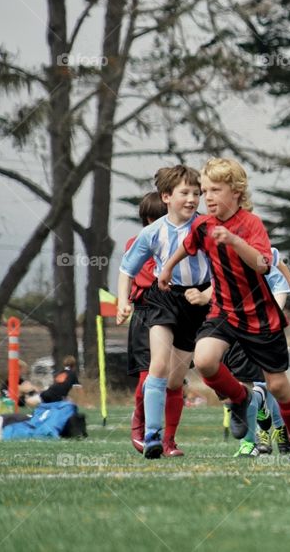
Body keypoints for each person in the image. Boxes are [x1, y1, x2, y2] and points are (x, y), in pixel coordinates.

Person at [158, 157, 290, 463]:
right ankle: (241, 399)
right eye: (205, 191)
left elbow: (262, 262)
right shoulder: (204, 225)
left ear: (237, 192)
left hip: (260, 317)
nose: (208, 197)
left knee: (279, 386)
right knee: (204, 361)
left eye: (215, 190)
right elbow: (188, 245)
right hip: (224, 312)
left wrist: (232, 239)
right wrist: (167, 269)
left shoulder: (251, 225)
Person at [118, 166, 210, 459]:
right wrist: (123, 300)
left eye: (197, 193)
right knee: (157, 365)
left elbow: (224, 268)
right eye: (185, 193)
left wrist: (208, 294)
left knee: (175, 379)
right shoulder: (152, 232)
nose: (192, 199)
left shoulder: (207, 227)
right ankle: (152, 436)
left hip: (195, 302)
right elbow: (126, 269)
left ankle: (169, 440)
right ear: (167, 197)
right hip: (163, 299)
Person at [224, 246, 290, 458]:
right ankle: (258, 434)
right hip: (234, 324)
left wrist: (274, 314)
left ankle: (275, 431)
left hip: (264, 326)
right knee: (244, 385)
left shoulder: (260, 248)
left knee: (273, 383)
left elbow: (278, 267)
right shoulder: (221, 248)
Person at [125, 191, 168, 454]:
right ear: (149, 218)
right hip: (145, 312)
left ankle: (167, 437)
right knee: (147, 374)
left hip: (171, 312)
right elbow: (142, 276)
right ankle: (139, 423)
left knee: (168, 377)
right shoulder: (137, 242)